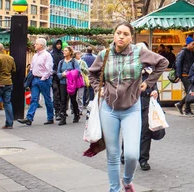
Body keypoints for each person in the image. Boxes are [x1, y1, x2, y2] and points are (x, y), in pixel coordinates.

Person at [88, 21, 167, 192]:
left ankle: (127, 180)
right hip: (109, 109)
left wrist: (149, 82)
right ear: (114, 35)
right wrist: (98, 89)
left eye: (125, 34)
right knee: (113, 154)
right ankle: (114, 188)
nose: (121, 36)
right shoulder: (104, 54)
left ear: (131, 37)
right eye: (118, 33)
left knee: (132, 155)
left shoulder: (140, 52)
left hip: (132, 108)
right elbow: (92, 73)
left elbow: (163, 63)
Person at [17, 38, 55, 126]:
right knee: (34, 99)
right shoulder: (35, 55)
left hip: (43, 80)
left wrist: (43, 78)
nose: (35, 45)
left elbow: (49, 69)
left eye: (36, 44)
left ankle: (50, 117)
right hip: (35, 79)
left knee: (47, 99)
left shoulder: (47, 55)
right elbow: (32, 67)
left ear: (41, 45)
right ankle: (29, 118)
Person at [138, 66, 163, 171]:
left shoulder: (150, 71)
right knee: (130, 131)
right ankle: (125, 152)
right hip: (131, 105)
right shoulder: (129, 69)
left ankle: (143, 159)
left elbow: (154, 85)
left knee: (145, 132)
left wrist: (155, 91)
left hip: (146, 104)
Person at [57, 47, 81, 125]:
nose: (64, 52)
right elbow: (58, 73)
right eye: (64, 51)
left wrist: (68, 74)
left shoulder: (74, 61)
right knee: (63, 100)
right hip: (63, 83)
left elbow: (78, 72)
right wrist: (62, 75)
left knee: (73, 99)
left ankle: (76, 114)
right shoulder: (61, 62)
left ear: (70, 52)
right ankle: (63, 118)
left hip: (72, 84)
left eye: (66, 51)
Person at [175, 36, 194, 116]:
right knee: (190, 92)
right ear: (188, 44)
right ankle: (186, 109)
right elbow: (178, 63)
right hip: (185, 74)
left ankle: (182, 105)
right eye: (192, 44)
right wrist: (179, 75)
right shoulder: (183, 52)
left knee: (190, 92)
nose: (193, 45)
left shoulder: (192, 53)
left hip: (190, 74)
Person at [50, 39, 64, 121]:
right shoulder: (51, 54)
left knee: (63, 95)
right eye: (57, 44)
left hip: (62, 77)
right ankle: (57, 112)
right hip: (54, 77)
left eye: (60, 44)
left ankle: (62, 111)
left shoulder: (63, 54)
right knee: (56, 94)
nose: (58, 45)